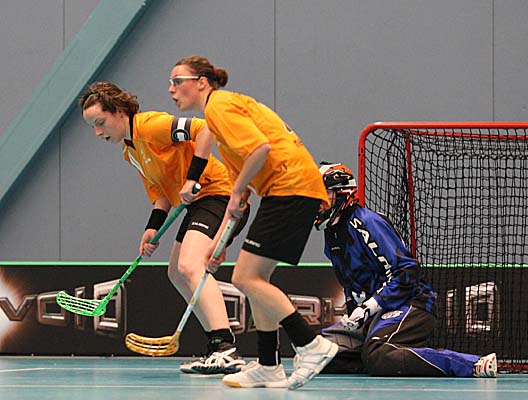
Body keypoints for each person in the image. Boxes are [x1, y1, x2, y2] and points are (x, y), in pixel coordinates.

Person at [169, 56, 338, 389]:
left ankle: (311, 344)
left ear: (201, 82)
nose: (172, 90)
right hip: (285, 190)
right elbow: (242, 192)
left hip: (291, 187)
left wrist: (235, 192)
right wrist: (220, 242)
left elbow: (259, 149)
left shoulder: (219, 106)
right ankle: (268, 365)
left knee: (246, 278)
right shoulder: (218, 119)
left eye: (177, 81)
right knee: (257, 278)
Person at [79, 82, 249, 375]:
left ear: (118, 112)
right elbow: (160, 194)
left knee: (190, 265)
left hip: (219, 194)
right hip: (198, 204)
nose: (97, 132)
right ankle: (216, 346)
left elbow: (205, 129)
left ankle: (226, 348)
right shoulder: (130, 151)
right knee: (176, 272)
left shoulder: (151, 126)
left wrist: (192, 179)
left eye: (100, 122)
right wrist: (152, 228)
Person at [314, 162, 497, 378]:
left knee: (378, 354)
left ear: (342, 193)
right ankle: (376, 356)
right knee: (316, 351)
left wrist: (369, 307)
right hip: (374, 315)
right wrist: (357, 315)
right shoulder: (332, 234)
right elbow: (351, 283)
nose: (318, 202)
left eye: (323, 194)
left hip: (412, 303)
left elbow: (407, 271)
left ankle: (470, 364)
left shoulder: (365, 222)